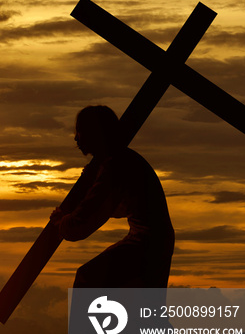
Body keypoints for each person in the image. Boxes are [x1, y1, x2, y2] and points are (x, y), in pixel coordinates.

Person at [49, 105, 175, 289]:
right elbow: (115, 206)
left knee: (87, 279)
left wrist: (62, 222)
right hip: (157, 243)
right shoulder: (123, 160)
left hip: (146, 244)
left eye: (80, 131)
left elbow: (84, 221)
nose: (76, 137)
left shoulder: (114, 165)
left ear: (94, 133)